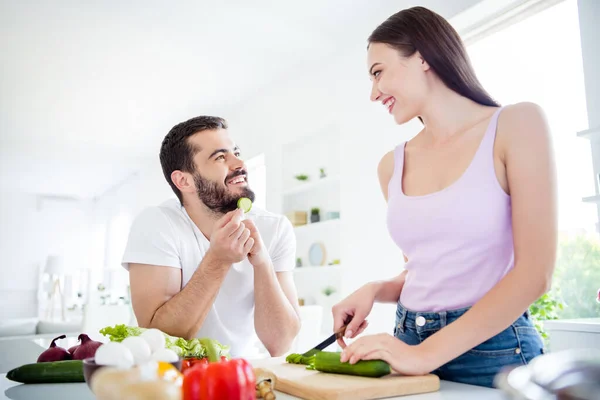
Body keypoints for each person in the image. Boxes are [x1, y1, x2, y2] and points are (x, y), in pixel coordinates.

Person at [332, 6, 556, 388]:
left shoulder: (516, 124)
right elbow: (430, 268)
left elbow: (535, 274)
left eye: (378, 72)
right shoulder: (392, 165)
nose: (373, 93)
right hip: (407, 341)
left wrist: (424, 356)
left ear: (422, 56)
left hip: (495, 356)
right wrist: (375, 290)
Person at [122, 116, 301, 357]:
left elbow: (280, 344)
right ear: (184, 180)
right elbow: (160, 339)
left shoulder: (275, 228)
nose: (239, 163)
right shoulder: (157, 225)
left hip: (239, 377)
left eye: (236, 152)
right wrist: (218, 260)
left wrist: (262, 261)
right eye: (220, 157)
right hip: (171, 378)